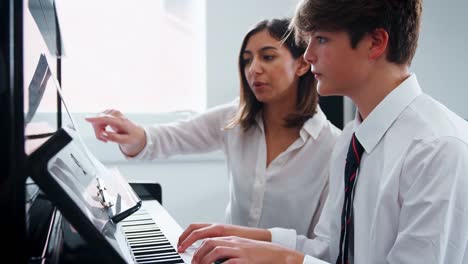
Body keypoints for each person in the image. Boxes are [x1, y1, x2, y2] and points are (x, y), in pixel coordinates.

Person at [176, 0, 468, 263]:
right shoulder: (352, 140)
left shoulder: (438, 148)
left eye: (321, 39)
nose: (308, 54)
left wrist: (287, 260)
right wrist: (246, 238)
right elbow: (332, 250)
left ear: (375, 42)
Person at [86, 18, 341, 237]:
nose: (253, 69)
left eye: (268, 57)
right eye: (246, 60)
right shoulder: (234, 118)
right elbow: (165, 139)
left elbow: (324, 247)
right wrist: (129, 134)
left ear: (302, 64)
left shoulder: (333, 147)